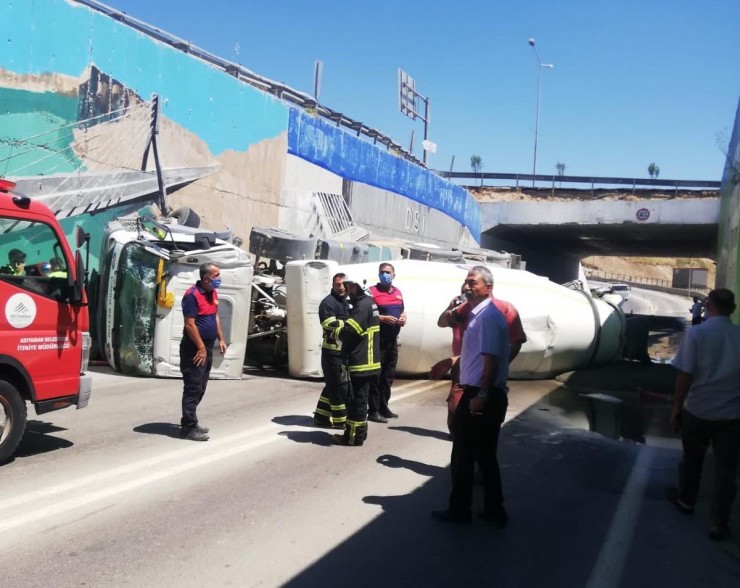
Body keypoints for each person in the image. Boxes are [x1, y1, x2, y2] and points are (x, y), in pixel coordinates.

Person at [432, 266, 511, 525]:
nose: (467, 286)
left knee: (464, 455)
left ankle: (460, 510)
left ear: (488, 288)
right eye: (466, 281)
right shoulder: (478, 315)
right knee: (485, 457)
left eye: (472, 282)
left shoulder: (487, 317)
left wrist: (483, 394)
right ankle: (494, 511)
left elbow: (490, 359)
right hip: (482, 392)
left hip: (481, 394)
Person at [669, 288, 740, 541]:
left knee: (692, 461)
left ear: (708, 306)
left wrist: (677, 410)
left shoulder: (697, 333)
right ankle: (719, 524)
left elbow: (684, 375)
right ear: (732, 309)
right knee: (726, 471)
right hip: (731, 416)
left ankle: (686, 501)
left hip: (698, 411)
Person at [432, 279, 527, 437]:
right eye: (464, 288)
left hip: (485, 371)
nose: (467, 290)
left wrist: (502, 364)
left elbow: (516, 341)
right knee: (455, 407)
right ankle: (459, 441)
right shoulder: (465, 308)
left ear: (487, 288)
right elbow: (441, 322)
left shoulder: (502, 310)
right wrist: (450, 308)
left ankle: (468, 445)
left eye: (471, 285)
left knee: (481, 421)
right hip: (463, 368)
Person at [179, 262, 227, 441]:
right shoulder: (192, 296)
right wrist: (200, 347)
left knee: (201, 387)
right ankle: (188, 428)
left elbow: (215, 315)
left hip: (206, 348)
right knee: (193, 387)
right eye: (217, 276)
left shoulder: (212, 293)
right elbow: (189, 324)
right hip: (194, 349)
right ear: (206, 278)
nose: (219, 279)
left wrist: (221, 338)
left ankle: (191, 421)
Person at [332, 274, 380, 447]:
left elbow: (352, 331)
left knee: (357, 401)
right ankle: (355, 434)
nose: (347, 289)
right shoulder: (369, 303)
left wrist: (336, 332)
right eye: (347, 286)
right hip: (366, 360)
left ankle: (353, 437)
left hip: (362, 361)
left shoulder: (362, 305)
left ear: (360, 285)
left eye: (351, 286)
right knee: (358, 400)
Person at [368, 262, 406, 423]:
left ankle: (384, 406)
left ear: (393, 275)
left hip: (392, 340)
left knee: (388, 376)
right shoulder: (372, 291)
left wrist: (404, 317)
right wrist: (382, 318)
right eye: (382, 272)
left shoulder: (398, 292)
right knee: (376, 376)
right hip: (378, 340)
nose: (385, 275)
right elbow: (366, 313)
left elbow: (402, 309)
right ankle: (374, 410)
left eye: (388, 272)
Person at [313, 272, 350, 429]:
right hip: (332, 352)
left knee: (333, 384)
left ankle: (321, 416)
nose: (340, 287)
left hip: (343, 351)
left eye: (343, 284)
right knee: (338, 387)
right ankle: (340, 419)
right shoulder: (328, 302)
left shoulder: (346, 303)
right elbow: (329, 323)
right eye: (337, 284)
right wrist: (350, 323)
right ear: (333, 285)